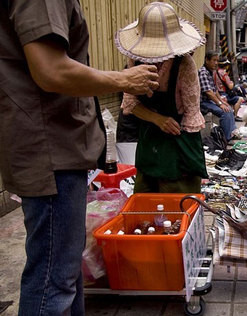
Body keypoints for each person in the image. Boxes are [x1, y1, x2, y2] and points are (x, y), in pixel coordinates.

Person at [0, 1, 159, 315]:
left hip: (57, 150)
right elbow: (51, 70)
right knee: (53, 281)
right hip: (52, 151)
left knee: (65, 273)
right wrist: (124, 80)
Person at [117, 2, 209, 193]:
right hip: (150, 136)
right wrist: (157, 119)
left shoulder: (184, 65)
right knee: (147, 197)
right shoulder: (135, 59)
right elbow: (131, 103)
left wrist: (169, 125)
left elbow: (192, 114)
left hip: (180, 135)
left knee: (177, 198)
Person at [199, 50, 237, 141]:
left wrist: (223, 102)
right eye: (214, 60)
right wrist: (220, 104)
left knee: (229, 108)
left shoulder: (210, 72)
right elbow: (208, 92)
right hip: (203, 102)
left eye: (217, 60)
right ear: (207, 60)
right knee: (225, 112)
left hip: (209, 101)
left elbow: (215, 90)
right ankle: (227, 138)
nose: (216, 63)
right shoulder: (203, 72)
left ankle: (232, 133)